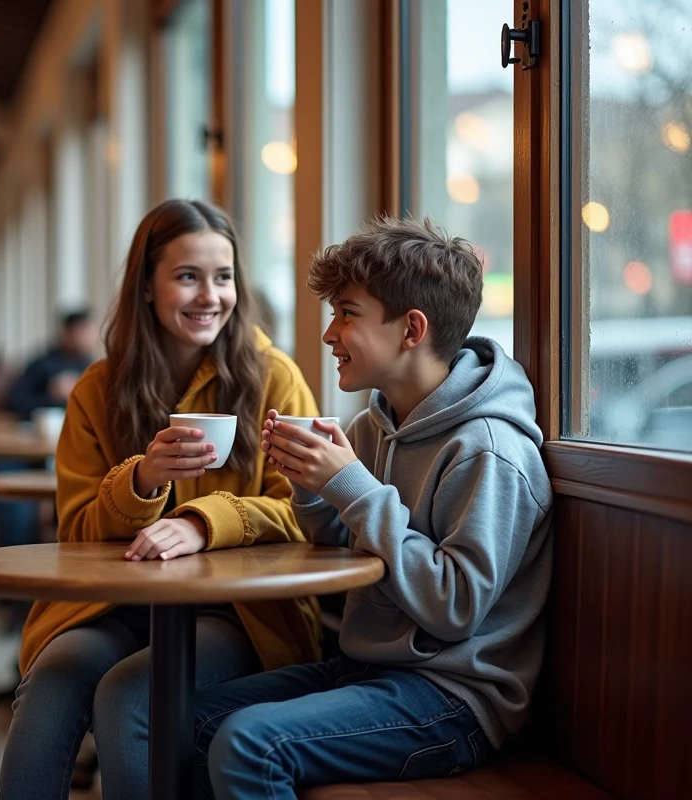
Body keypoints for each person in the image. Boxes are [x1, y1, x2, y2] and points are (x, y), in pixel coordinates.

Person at [193, 216, 553, 798]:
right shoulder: (374, 424)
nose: (330, 335)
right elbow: (339, 540)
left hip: (454, 698)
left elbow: (454, 607)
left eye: (347, 313)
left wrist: (355, 488)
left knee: (247, 742)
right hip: (367, 668)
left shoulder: (488, 449)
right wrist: (311, 485)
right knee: (187, 719)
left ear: (411, 328)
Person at [0, 199, 323, 800]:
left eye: (222, 277)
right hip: (120, 604)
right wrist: (141, 481)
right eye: (187, 276)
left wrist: (205, 521)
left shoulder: (272, 376)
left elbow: (306, 509)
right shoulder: (99, 389)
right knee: (51, 683)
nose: (209, 296)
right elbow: (76, 535)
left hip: (238, 612)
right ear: (146, 286)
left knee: (129, 695)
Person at [5, 309, 98, 418]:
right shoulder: (42, 365)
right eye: (85, 333)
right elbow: (15, 402)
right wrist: (50, 396)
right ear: (68, 333)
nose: (91, 338)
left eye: (93, 332)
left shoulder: (92, 367)